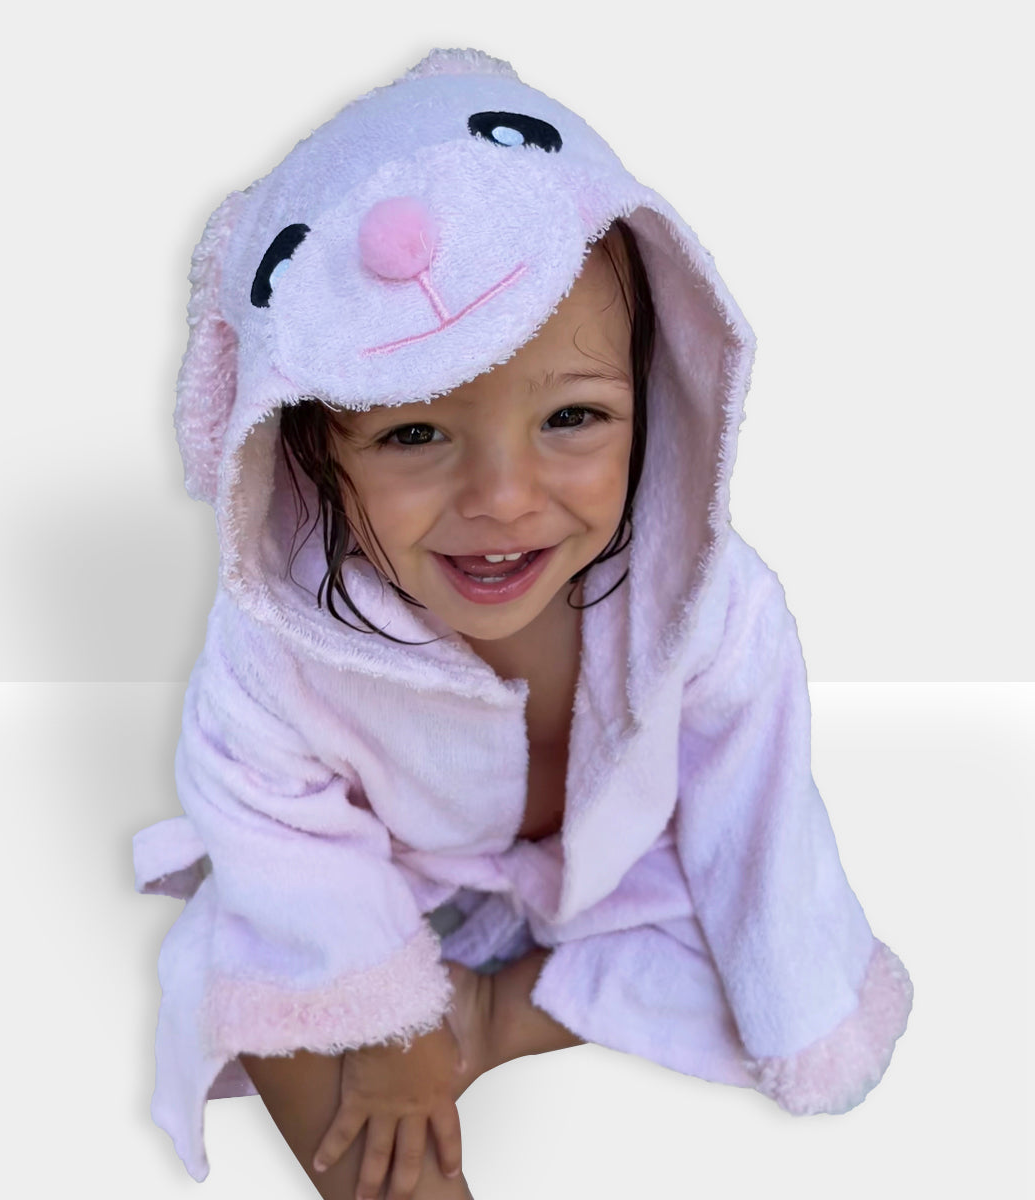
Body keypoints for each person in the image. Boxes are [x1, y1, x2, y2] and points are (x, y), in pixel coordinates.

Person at [132, 48, 913, 1200]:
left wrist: (803, 1003)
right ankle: (416, 1084)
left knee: (775, 953)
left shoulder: (706, 601)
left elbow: (757, 810)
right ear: (304, 449)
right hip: (388, 879)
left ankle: (499, 1011)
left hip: (613, 875)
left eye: (573, 418)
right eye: (413, 434)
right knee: (256, 975)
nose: (502, 498)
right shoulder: (284, 643)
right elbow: (264, 809)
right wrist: (389, 1023)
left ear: (657, 395)